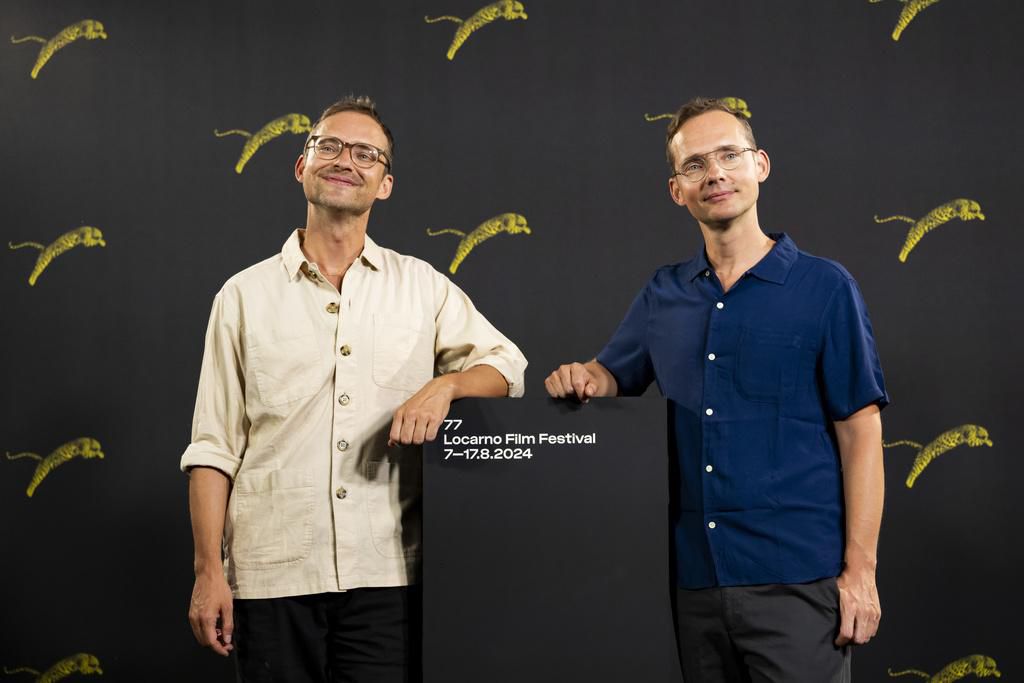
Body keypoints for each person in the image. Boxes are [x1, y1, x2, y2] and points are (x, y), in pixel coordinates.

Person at [181, 95, 527, 682]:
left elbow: (506, 366)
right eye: (329, 146)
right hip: (272, 576)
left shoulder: (421, 286)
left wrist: (445, 385)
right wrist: (209, 571)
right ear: (301, 165)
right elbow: (213, 449)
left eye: (366, 154)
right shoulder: (241, 296)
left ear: (384, 184)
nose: (346, 160)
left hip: (388, 577)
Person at [544, 97, 887, 682]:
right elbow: (610, 377)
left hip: (798, 579)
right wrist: (582, 377)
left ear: (761, 165)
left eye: (729, 155)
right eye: (695, 165)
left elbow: (860, 435)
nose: (716, 174)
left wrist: (860, 573)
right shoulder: (663, 292)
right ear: (677, 189)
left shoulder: (825, 287)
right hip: (694, 584)